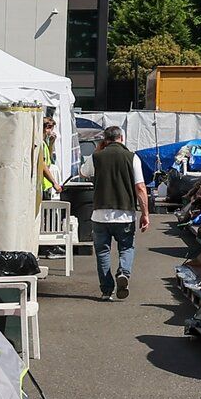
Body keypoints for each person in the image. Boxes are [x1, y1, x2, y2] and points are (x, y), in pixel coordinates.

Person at [86, 125, 149, 300]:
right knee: (127, 247)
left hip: (100, 214)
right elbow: (140, 187)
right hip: (125, 214)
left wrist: (98, 150)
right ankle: (123, 273)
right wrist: (145, 213)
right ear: (122, 138)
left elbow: (84, 172)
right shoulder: (132, 157)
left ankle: (106, 291)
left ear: (105, 140)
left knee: (103, 252)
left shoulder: (96, 157)